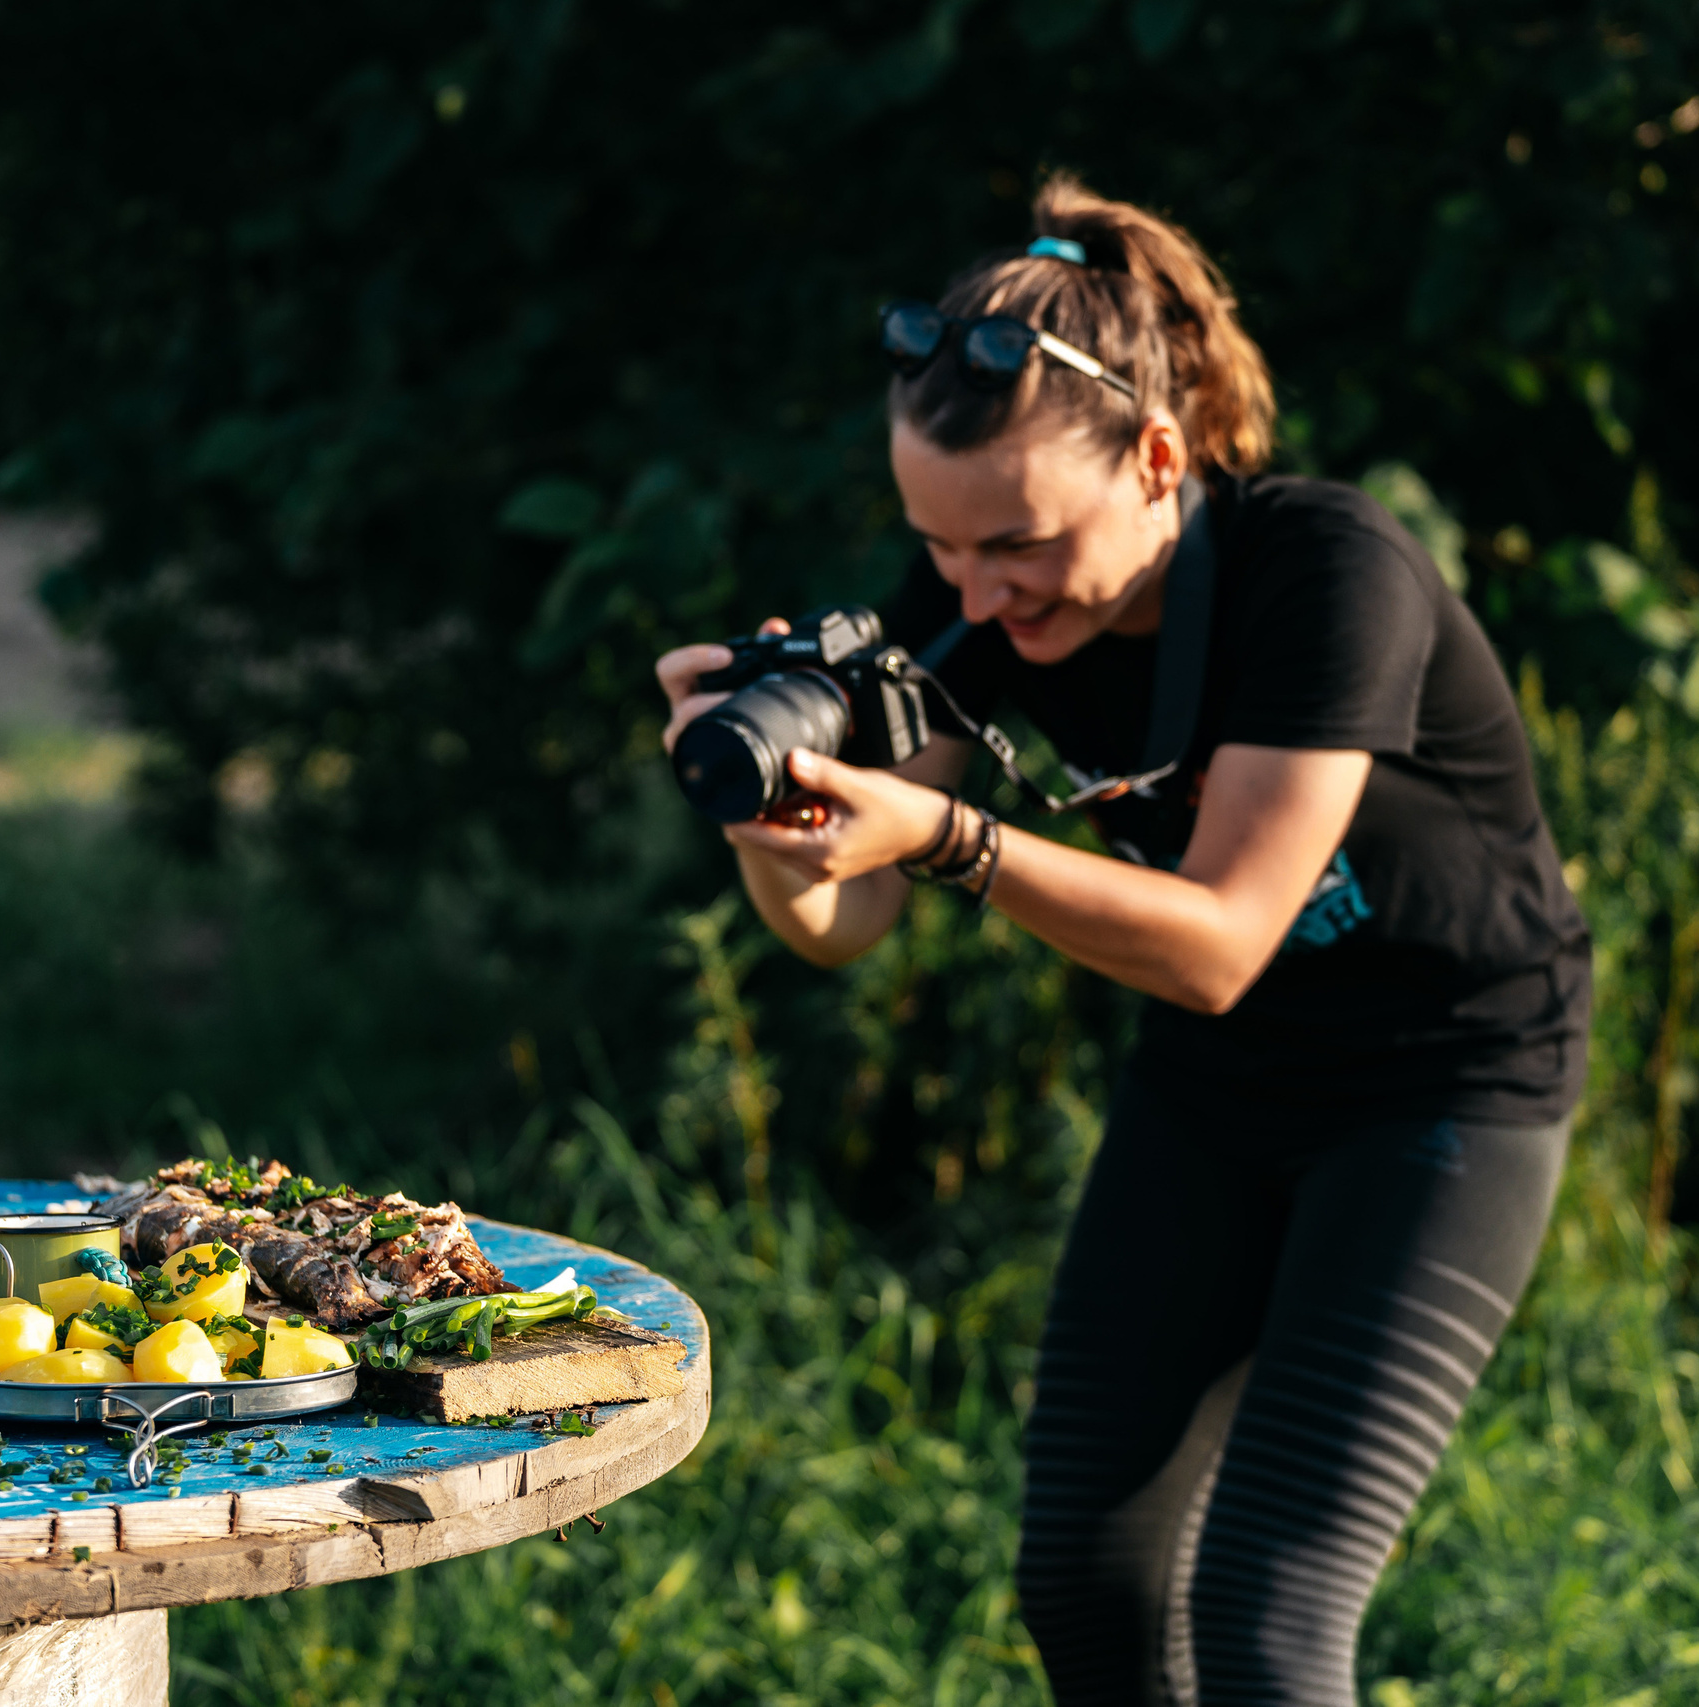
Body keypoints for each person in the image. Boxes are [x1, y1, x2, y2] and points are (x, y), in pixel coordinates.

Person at [654, 175, 1590, 1706]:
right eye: (939, 551)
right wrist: (777, 829)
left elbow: (1218, 937)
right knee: (1087, 1585)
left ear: (1159, 460)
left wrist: (955, 838)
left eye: (1017, 545)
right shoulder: (975, 595)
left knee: (1270, 1617)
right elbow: (847, 921)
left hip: (1448, 1088)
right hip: (1222, 1085)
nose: (975, 593)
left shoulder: (1329, 575)